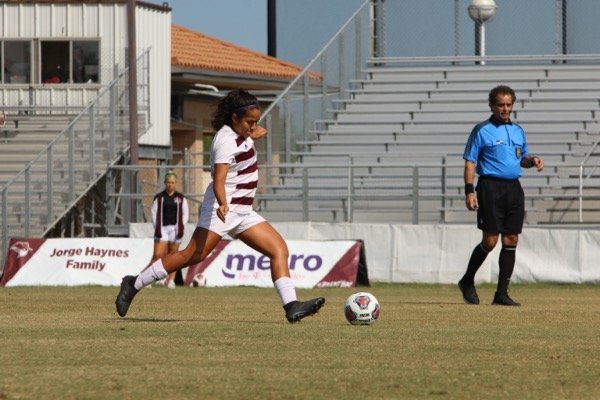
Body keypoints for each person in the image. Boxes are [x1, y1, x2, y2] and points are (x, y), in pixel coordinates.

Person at [116, 89, 325, 322]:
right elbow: (219, 180)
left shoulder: (241, 132)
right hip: (223, 209)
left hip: (243, 212)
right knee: (191, 255)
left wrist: (251, 133)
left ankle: (291, 306)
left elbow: (244, 140)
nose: (253, 126)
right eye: (249, 121)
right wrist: (223, 204)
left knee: (278, 250)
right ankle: (133, 284)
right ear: (233, 117)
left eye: (256, 121)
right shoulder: (225, 141)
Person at [458, 85, 544, 306]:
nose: (505, 109)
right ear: (492, 106)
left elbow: (521, 159)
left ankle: (501, 294)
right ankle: (467, 281)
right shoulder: (482, 130)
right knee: (490, 240)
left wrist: (532, 161)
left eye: (508, 105)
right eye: (501, 105)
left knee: (511, 238)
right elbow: (470, 161)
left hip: (513, 188)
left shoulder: (517, 130)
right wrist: (469, 190)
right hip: (490, 187)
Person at [149, 171, 189, 289]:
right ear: (165, 183)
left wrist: (182, 226)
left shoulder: (180, 198)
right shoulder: (159, 197)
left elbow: (185, 214)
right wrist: (157, 227)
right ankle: (151, 278)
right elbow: (153, 213)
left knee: (173, 255)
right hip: (162, 229)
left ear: (175, 183)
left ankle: (171, 280)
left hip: (175, 229)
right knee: (157, 254)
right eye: (168, 182)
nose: (170, 185)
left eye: (172, 182)